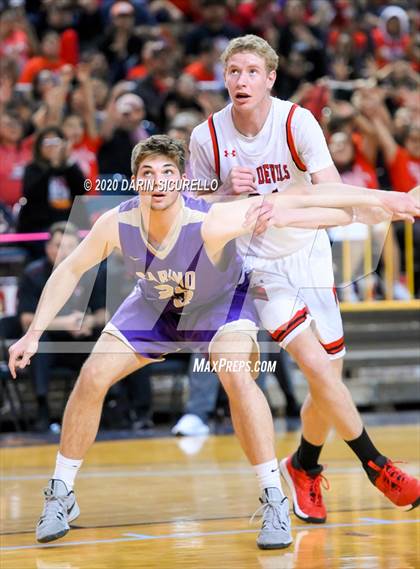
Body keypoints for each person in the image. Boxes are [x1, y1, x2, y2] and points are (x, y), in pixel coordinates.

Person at [8, 134, 412, 548]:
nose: (158, 181)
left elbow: (300, 201)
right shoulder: (117, 222)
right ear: (135, 181)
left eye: (168, 172)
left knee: (237, 377)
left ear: (182, 181)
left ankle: (273, 497)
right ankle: (62, 491)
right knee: (92, 375)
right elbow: (71, 268)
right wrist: (34, 332)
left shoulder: (212, 219)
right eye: (148, 173)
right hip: (156, 305)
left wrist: (393, 201)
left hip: (219, 305)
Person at [189, 34, 420, 524]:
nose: (241, 80)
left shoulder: (296, 122)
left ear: (270, 79)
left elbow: (331, 197)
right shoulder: (207, 137)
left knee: (327, 378)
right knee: (315, 366)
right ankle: (376, 465)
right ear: (224, 78)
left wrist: (386, 204)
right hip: (255, 267)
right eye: (233, 71)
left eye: (252, 71)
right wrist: (226, 192)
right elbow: (193, 211)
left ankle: (306, 465)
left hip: (308, 253)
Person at [17, 221, 107, 431]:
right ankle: (42, 410)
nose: (65, 252)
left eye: (71, 246)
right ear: (49, 248)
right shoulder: (33, 274)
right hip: (52, 340)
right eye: (59, 246)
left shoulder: (93, 271)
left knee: (104, 339)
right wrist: (63, 323)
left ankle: (109, 407)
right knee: (39, 345)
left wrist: (89, 321)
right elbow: (26, 320)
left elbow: (106, 313)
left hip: (81, 338)